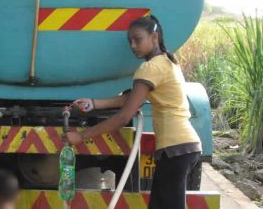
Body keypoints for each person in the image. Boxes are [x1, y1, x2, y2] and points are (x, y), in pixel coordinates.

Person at [64, 15, 201, 209]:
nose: (133, 45)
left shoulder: (150, 68)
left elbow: (123, 116)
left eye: (138, 39)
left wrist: (81, 136)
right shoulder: (167, 62)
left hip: (176, 148)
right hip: (180, 148)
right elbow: (131, 98)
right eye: (130, 41)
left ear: (154, 37)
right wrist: (94, 104)